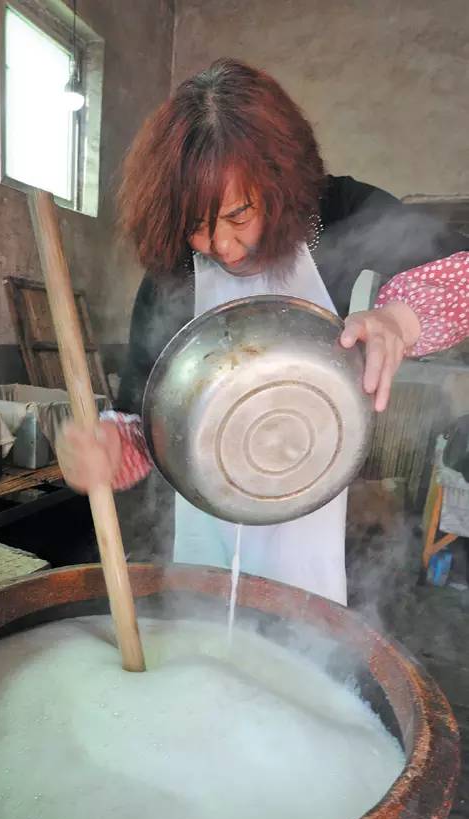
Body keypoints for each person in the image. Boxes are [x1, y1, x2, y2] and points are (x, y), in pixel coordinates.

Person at [57, 59, 469, 606]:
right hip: (205, 514)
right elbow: (144, 419)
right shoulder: (173, 275)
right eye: (197, 226)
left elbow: (458, 272)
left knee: (301, 645)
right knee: (206, 638)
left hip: (310, 497)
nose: (221, 246)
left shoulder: (339, 213)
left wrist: (399, 319)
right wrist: (112, 446)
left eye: (239, 214)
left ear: (279, 184)